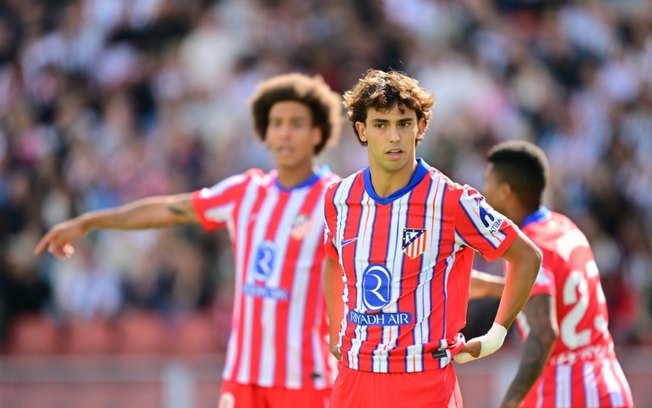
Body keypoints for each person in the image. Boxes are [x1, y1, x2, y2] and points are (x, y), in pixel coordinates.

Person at [34, 73, 343, 408]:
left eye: (296, 123)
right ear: (265, 133)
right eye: (276, 123)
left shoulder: (336, 198)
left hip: (305, 377)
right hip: (244, 374)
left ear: (317, 132)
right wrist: (91, 222)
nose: (284, 132)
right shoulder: (246, 192)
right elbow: (168, 210)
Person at [321, 69, 542, 407]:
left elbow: (526, 257)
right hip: (354, 380)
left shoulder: (451, 200)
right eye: (381, 125)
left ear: (420, 127)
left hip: (423, 382)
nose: (394, 136)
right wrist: (337, 327)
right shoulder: (339, 198)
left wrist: (496, 335)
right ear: (362, 130)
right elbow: (334, 261)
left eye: (404, 123)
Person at [470, 140, 633, 407]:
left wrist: (510, 401)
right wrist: (491, 287)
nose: (483, 193)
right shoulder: (565, 227)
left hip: (566, 388)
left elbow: (544, 331)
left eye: (488, 183)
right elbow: (560, 293)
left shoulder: (526, 249)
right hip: (608, 379)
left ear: (506, 191)